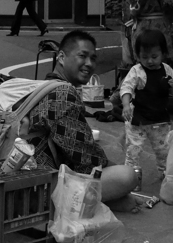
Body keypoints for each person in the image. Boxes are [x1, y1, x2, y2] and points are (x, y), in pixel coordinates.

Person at [25, 30, 138, 202]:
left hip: (31, 176)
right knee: (127, 175)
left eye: (93, 58)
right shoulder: (63, 92)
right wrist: (112, 169)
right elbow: (83, 154)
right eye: (82, 56)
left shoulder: (45, 86)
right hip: (42, 187)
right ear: (61, 57)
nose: (89, 63)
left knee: (116, 186)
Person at [115, 29, 173, 178]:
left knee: (163, 149)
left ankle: (165, 175)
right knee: (134, 149)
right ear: (138, 56)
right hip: (137, 118)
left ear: (163, 54)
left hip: (159, 118)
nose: (150, 61)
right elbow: (126, 87)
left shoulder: (167, 70)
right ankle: (130, 176)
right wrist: (126, 105)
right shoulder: (136, 71)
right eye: (144, 57)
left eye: (154, 56)